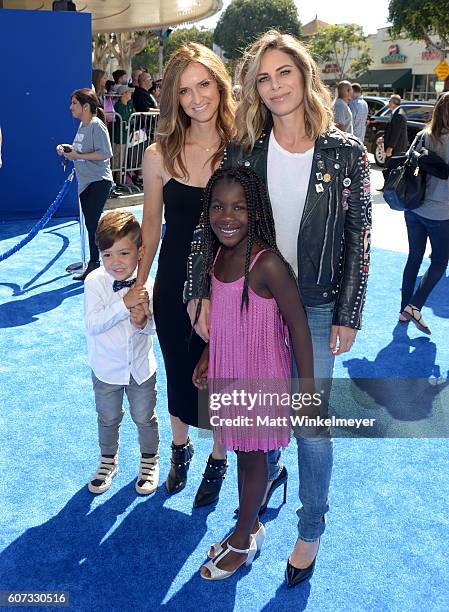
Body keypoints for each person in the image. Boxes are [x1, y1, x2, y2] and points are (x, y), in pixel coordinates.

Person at [185, 30, 371, 586]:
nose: (273, 86)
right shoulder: (245, 150)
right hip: (252, 304)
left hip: (315, 307)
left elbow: (359, 236)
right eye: (262, 78)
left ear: (305, 75)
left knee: (310, 423)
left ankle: (309, 529)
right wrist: (197, 291)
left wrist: (349, 311)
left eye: (283, 72)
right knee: (256, 415)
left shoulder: (346, 153)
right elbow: (207, 224)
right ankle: (258, 502)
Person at [192, 166, 314, 580]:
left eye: (239, 208)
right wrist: (209, 354)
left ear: (256, 212)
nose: (227, 217)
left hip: (261, 374)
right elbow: (225, 318)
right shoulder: (219, 254)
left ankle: (243, 540)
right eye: (218, 207)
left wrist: (308, 392)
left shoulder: (268, 264)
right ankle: (247, 525)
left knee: (252, 455)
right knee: (245, 453)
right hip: (231, 370)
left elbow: (298, 327)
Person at [137, 43, 236, 505]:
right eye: (184, 89)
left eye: (204, 84)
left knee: (221, 375)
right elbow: (152, 225)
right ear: (172, 97)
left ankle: (219, 457)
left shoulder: (243, 149)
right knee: (179, 368)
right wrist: (139, 282)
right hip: (174, 280)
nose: (196, 97)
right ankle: (181, 448)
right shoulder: (158, 155)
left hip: (230, 282)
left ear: (220, 84)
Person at [84, 210, 159, 495]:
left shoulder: (149, 284)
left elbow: (155, 328)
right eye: (107, 255)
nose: (115, 263)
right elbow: (93, 324)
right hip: (105, 369)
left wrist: (144, 322)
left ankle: (149, 460)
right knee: (108, 417)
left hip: (140, 367)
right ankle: (107, 461)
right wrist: (124, 305)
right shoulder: (94, 282)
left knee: (144, 417)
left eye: (124, 253)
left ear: (141, 252)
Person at [399, 92, 449, 334]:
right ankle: (415, 305)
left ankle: (404, 310)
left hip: (414, 208)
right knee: (440, 261)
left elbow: (408, 165)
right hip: (441, 213)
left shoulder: (422, 135)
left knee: (414, 258)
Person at [56, 88, 113, 281]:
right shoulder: (83, 126)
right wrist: (66, 149)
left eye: (74, 103)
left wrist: (77, 155)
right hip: (85, 182)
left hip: (98, 181)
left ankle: (98, 263)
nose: (70, 107)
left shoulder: (96, 126)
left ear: (86, 106)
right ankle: (96, 263)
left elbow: (105, 153)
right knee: (91, 225)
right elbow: (80, 151)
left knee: (92, 224)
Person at [112, 84, 135, 176]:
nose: (130, 94)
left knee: (122, 160)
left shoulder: (129, 104)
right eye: (128, 92)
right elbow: (123, 119)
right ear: (123, 94)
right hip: (118, 137)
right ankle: (113, 180)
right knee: (116, 160)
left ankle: (119, 180)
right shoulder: (118, 106)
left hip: (125, 137)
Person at [382, 94, 408, 159]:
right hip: (395, 148)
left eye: (389, 101)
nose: (388, 103)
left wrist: (390, 147)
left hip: (396, 149)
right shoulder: (395, 113)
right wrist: (383, 138)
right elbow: (391, 129)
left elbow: (396, 133)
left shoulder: (399, 115)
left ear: (394, 103)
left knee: (391, 167)